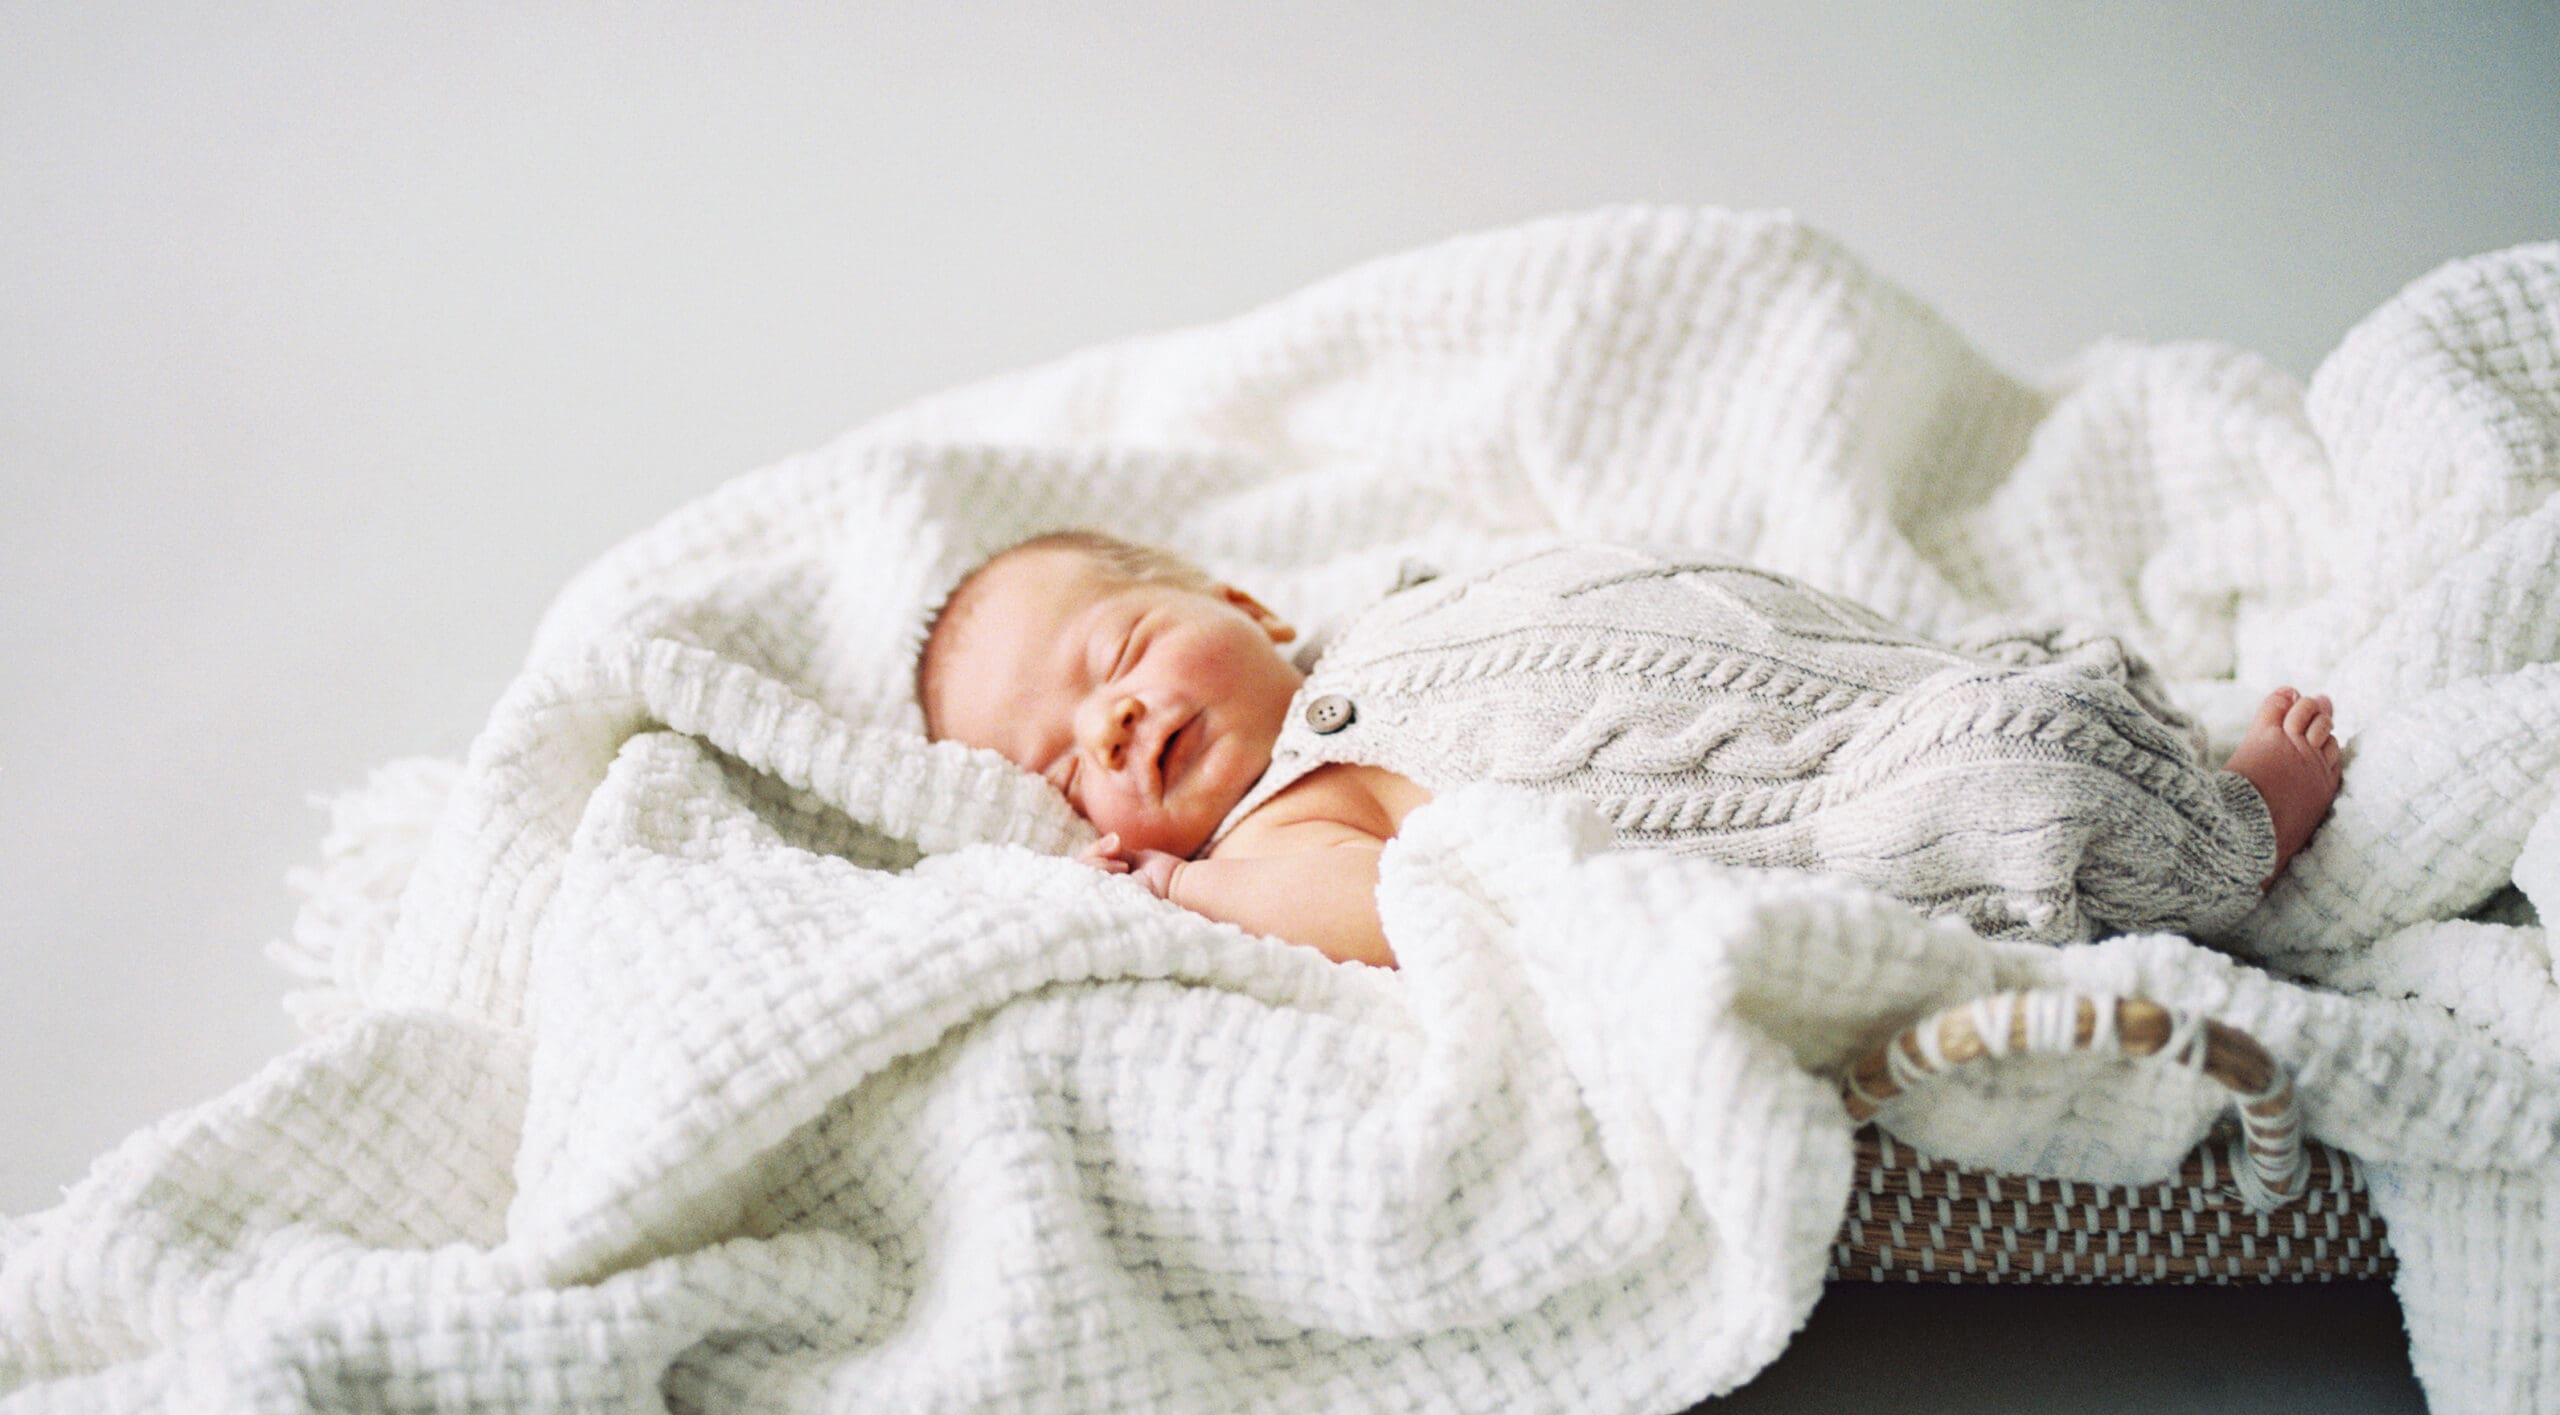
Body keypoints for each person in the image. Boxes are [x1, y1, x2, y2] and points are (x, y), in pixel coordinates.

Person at [917, 529, 2343, 970]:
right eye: (1062, 770)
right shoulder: (1281, 826)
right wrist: (1186, 891)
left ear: (1247, 606)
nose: (1107, 725)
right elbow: (1381, 913)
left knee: (1998, 682)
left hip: (1822, 668)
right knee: (2012, 778)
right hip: (1821, 804)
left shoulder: (1375, 617)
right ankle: (2228, 838)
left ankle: (2088, 727)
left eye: (1117, 652)